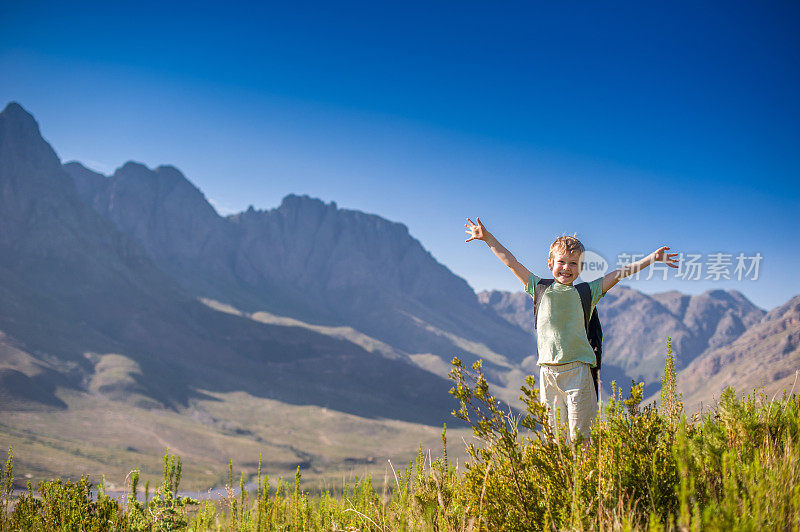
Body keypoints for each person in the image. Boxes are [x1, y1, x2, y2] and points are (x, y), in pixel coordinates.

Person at [465, 217, 679, 441]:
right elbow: (511, 262)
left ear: (580, 268)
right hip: (547, 373)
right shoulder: (538, 288)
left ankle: (586, 476)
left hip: (578, 373)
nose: (566, 268)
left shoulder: (587, 292)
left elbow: (619, 273)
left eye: (573, 263)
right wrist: (487, 238)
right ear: (550, 263)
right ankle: (565, 476)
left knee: (582, 437)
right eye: (561, 262)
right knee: (556, 439)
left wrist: (652, 259)